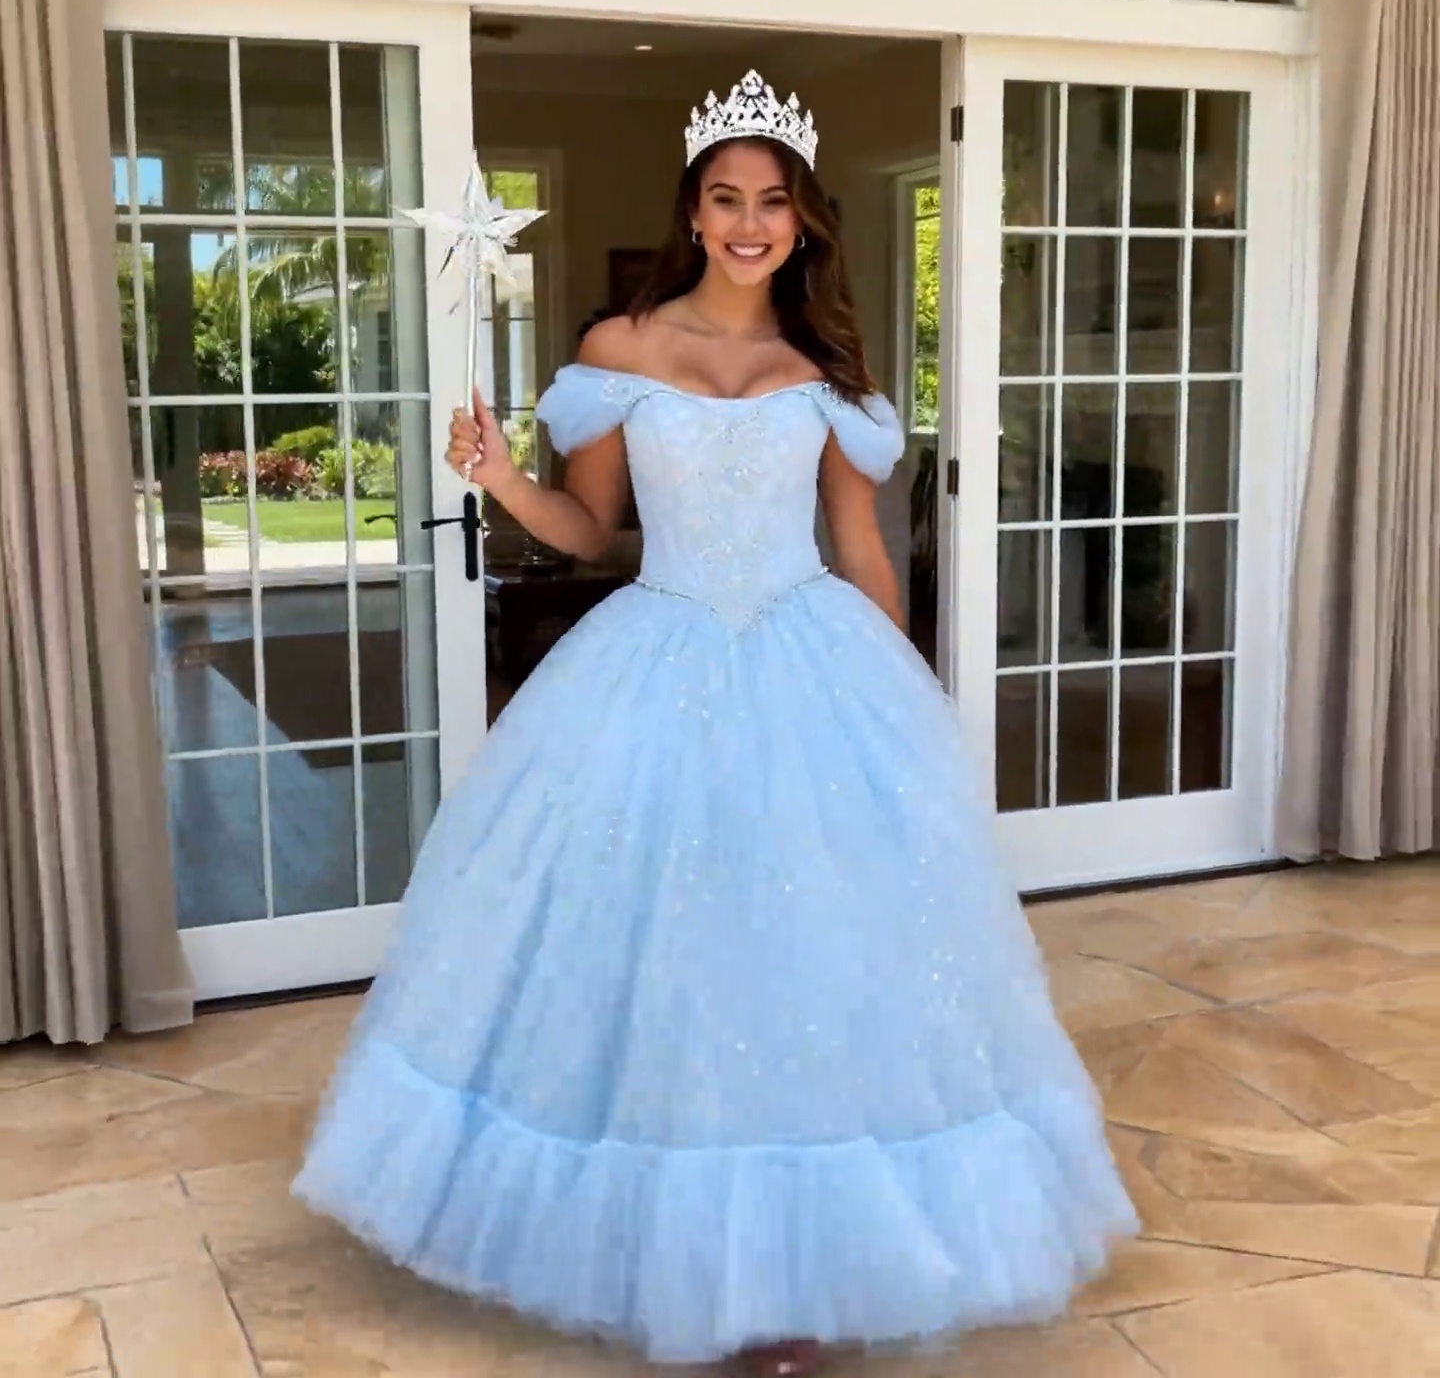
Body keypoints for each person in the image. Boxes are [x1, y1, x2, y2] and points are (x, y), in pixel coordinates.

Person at [294, 70, 1137, 1377]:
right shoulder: (618, 353)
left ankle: (802, 1268)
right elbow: (592, 529)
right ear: (692, 211)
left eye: (774, 203)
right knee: (658, 946)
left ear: (803, 222)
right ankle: (654, 1237)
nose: (750, 223)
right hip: (658, 651)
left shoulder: (827, 371)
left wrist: (899, 699)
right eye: (727, 199)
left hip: (814, 660)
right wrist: (501, 476)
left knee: (819, 949)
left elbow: (862, 549)